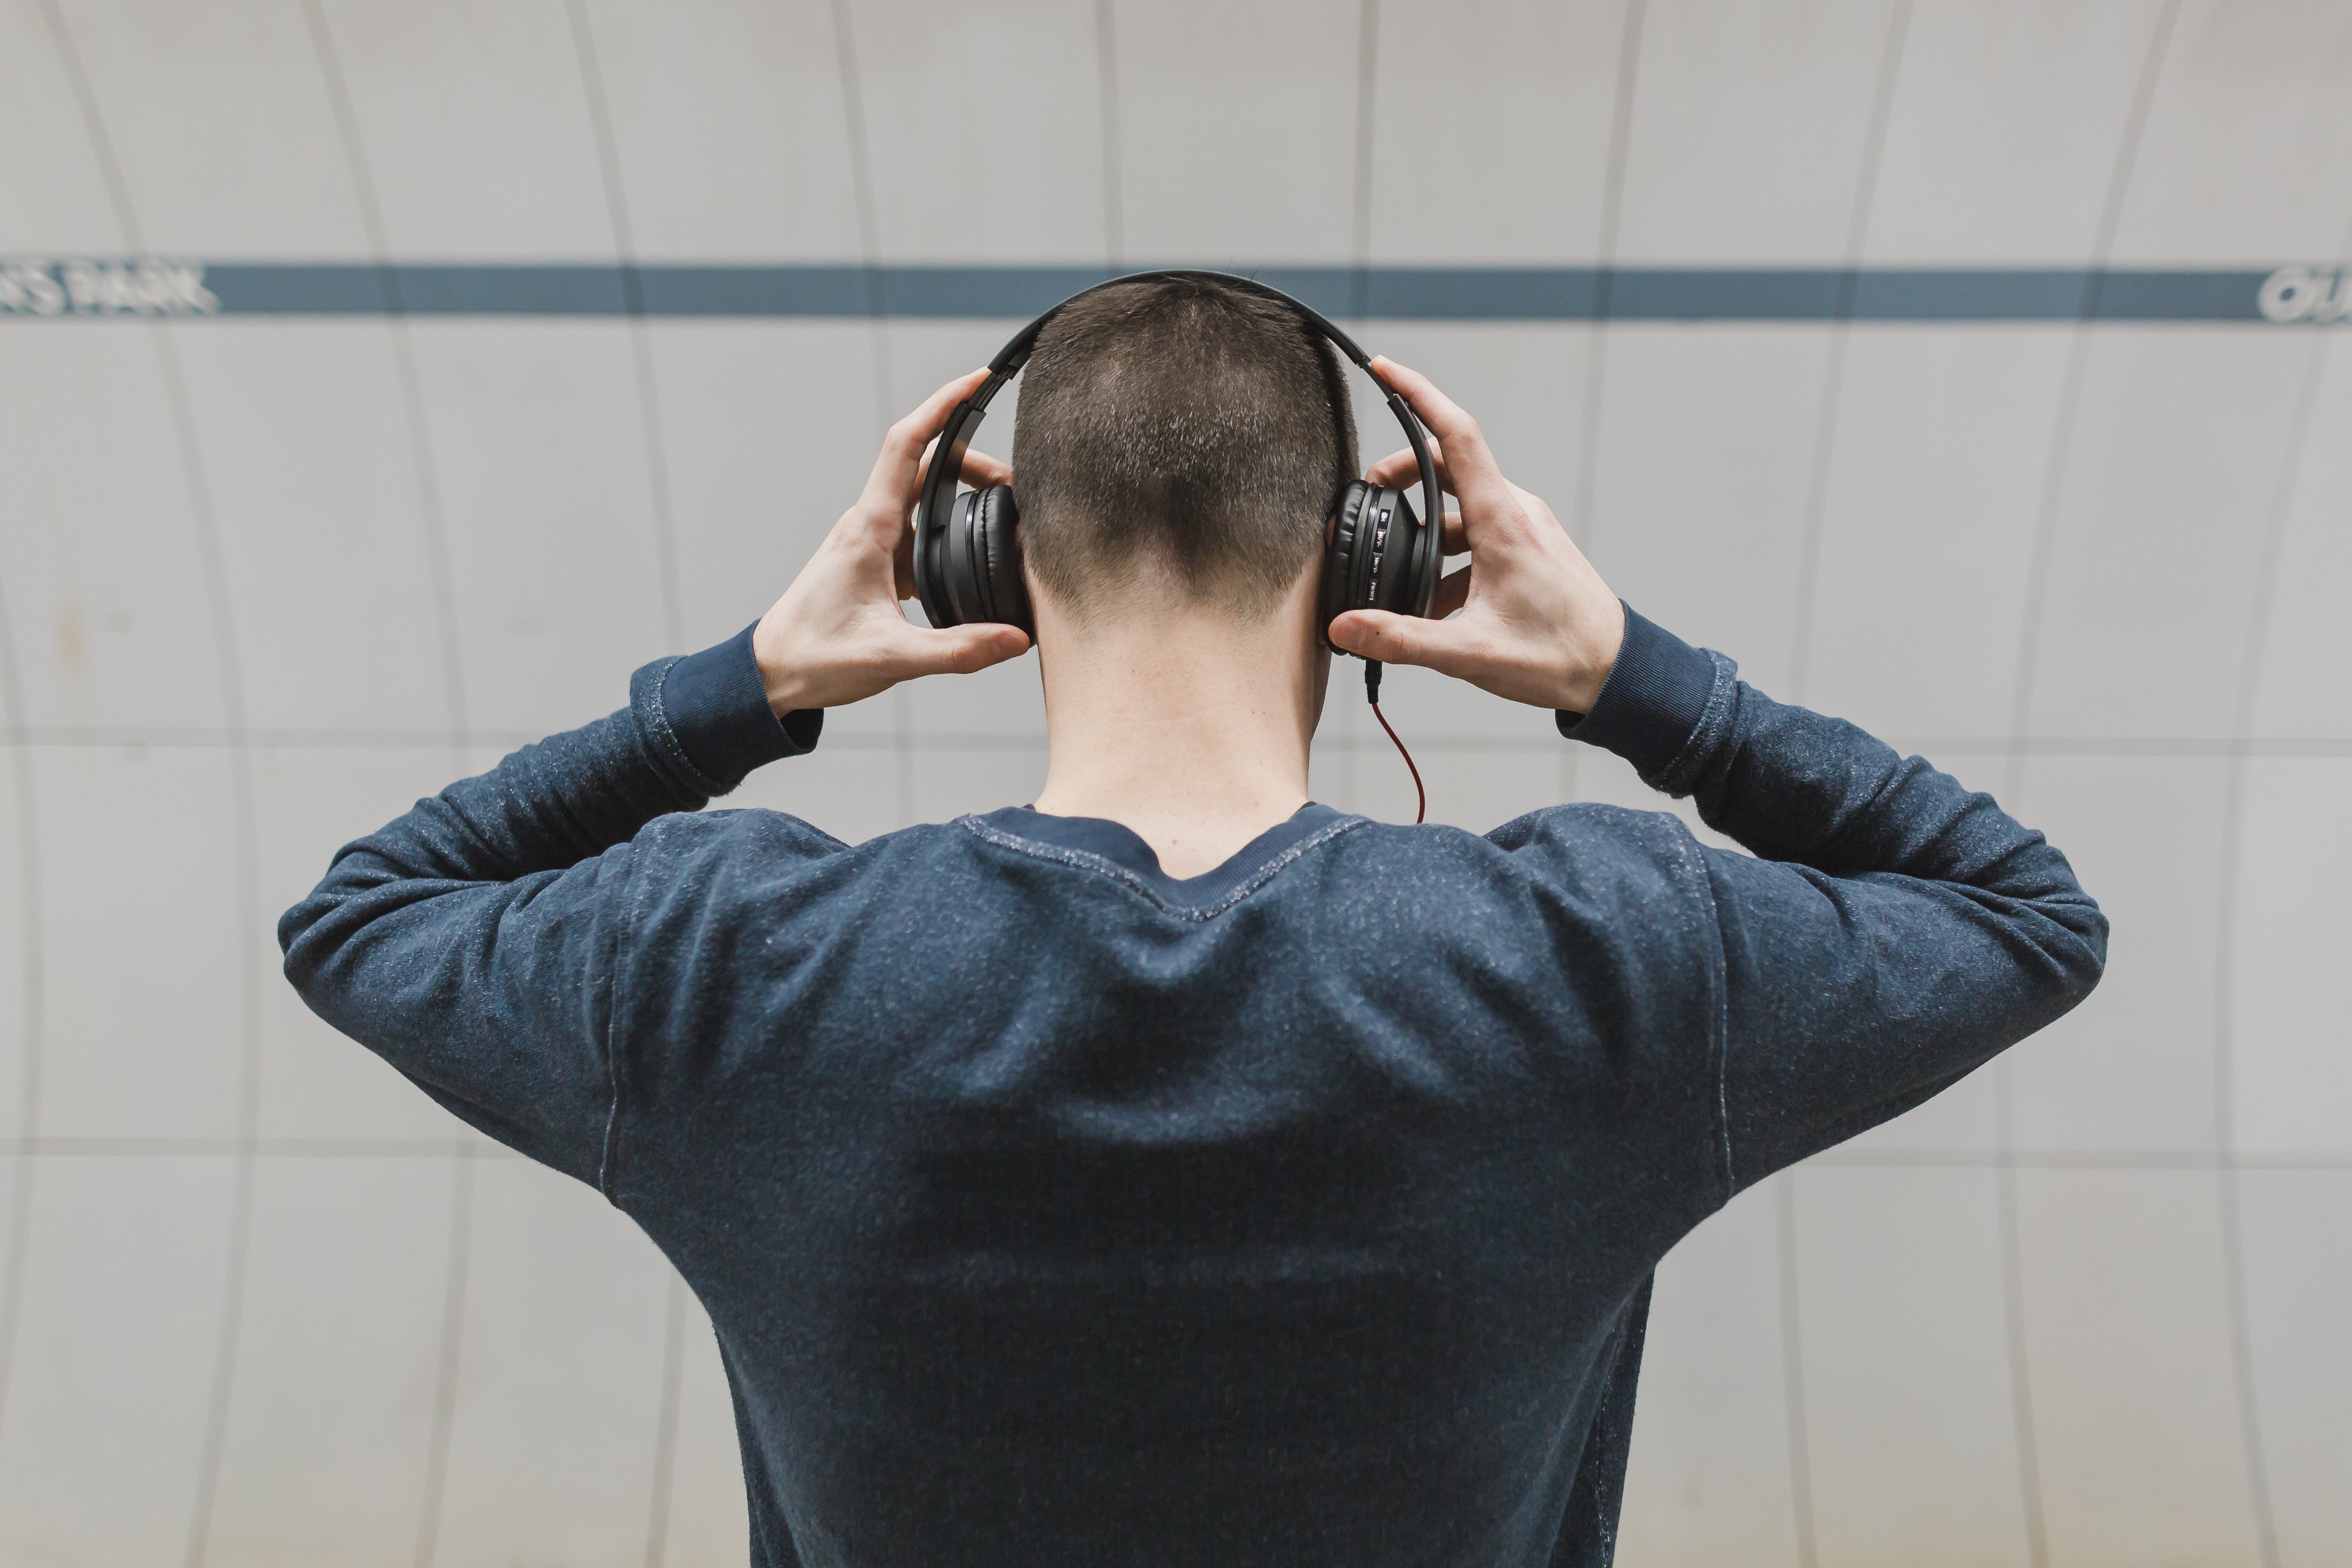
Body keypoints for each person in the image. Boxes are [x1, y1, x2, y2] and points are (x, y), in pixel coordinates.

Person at [281, 274, 2105, 1568]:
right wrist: (1634, 681)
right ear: (1371, 563)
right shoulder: (1602, 960)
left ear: (979, 559)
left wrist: (744, 685)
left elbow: (363, 914)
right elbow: (2019, 912)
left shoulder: (726, 966)